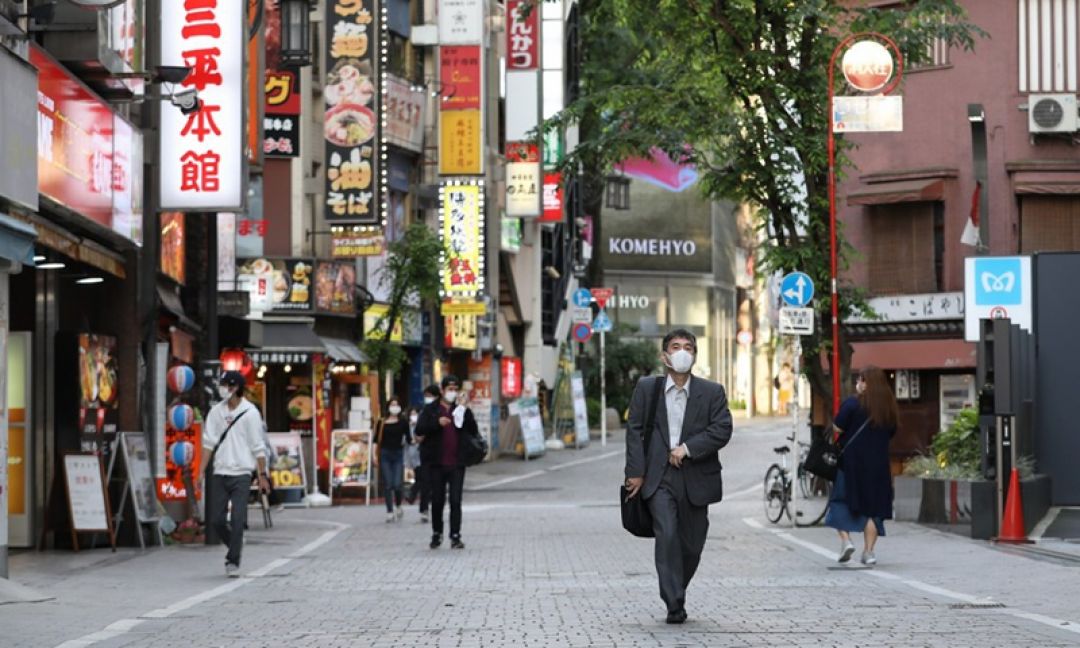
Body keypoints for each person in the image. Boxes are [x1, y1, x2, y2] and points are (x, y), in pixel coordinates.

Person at [624, 329, 734, 624]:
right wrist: (635, 472)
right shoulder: (647, 388)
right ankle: (674, 602)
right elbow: (634, 429)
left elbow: (722, 429)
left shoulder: (712, 392)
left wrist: (687, 448)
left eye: (688, 347)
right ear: (665, 355)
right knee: (668, 535)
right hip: (658, 478)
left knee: (692, 544)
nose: (682, 351)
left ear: (695, 355)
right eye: (676, 346)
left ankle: (677, 586)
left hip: (696, 477)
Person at [826, 366, 898, 566]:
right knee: (872, 511)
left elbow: (838, 427)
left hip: (851, 464)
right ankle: (869, 552)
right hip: (878, 467)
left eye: (861, 380)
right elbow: (891, 433)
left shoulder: (852, 404)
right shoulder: (888, 408)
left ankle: (846, 541)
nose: (858, 383)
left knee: (840, 501)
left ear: (867, 383)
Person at [202, 371, 270, 577]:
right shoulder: (216, 412)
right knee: (216, 520)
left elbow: (258, 446)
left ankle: (233, 560)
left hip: (242, 472)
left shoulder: (250, 413)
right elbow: (208, 444)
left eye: (228, 386)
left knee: (239, 518)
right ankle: (235, 541)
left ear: (237, 388)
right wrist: (200, 472)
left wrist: (262, 474)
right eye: (222, 385)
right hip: (220, 471)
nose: (224, 389)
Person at [416, 376, 479, 550]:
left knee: (456, 500)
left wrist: (465, 410)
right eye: (450, 388)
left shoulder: (461, 410)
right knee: (437, 501)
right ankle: (437, 533)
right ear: (442, 390)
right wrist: (437, 423)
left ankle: (455, 535)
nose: (453, 392)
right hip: (436, 463)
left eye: (455, 389)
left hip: (457, 462)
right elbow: (419, 429)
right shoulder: (431, 410)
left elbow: (473, 430)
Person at [374, 396, 409, 523]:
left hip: (398, 454)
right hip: (385, 454)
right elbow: (375, 440)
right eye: (392, 404)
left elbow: (409, 438)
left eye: (397, 404)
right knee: (388, 484)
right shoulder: (381, 422)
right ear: (388, 407)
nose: (395, 407)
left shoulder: (403, 422)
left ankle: (398, 505)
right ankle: (389, 511)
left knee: (397, 484)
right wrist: (374, 455)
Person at [405, 402, 430, 523]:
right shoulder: (407, 426)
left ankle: (414, 497)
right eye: (412, 414)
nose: (414, 416)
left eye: (416, 413)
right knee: (422, 480)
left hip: (424, 456)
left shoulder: (423, 425)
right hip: (414, 457)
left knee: (423, 481)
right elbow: (405, 441)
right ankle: (421, 506)